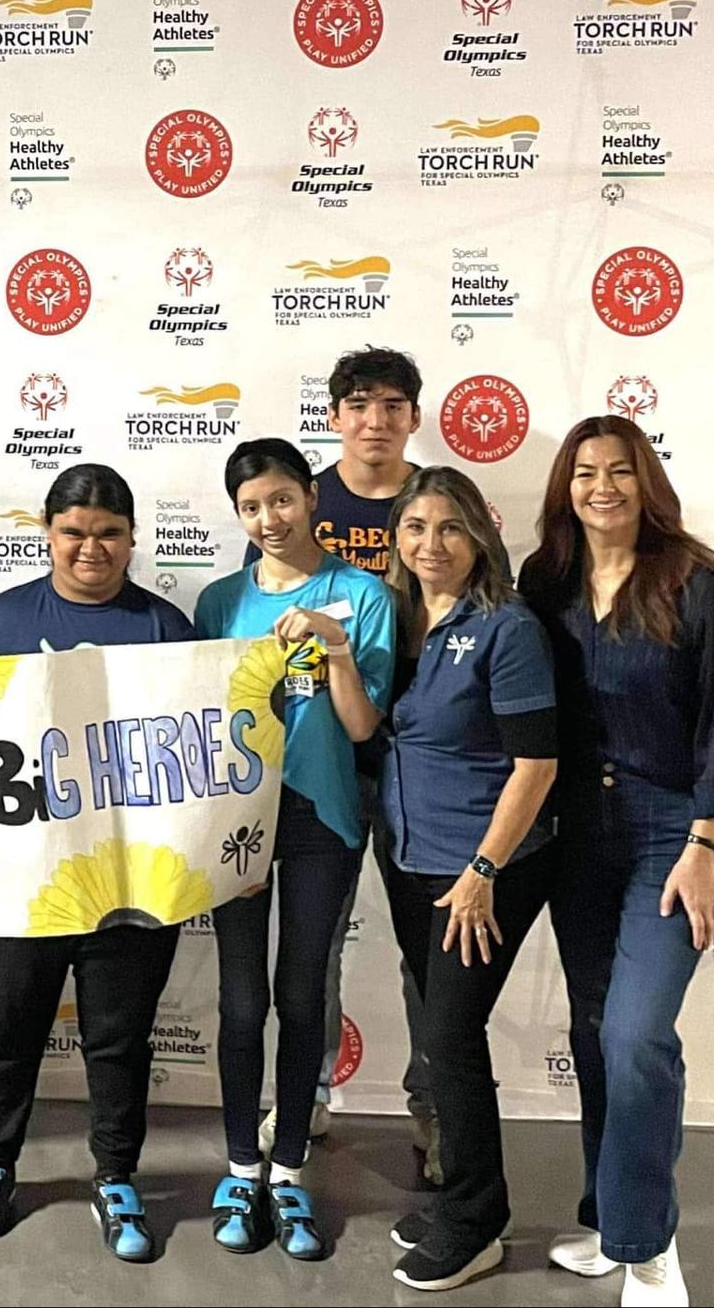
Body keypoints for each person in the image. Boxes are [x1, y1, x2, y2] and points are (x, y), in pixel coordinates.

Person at [0, 464, 194, 1261]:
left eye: (109, 532)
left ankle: (116, 1175)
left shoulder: (165, 626)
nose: (91, 547)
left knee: (119, 1036)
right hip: (23, 875)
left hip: (130, 880)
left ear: (132, 539)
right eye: (74, 530)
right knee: (10, 1028)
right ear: (47, 532)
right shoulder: (3, 620)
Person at [519, 416, 714, 1307]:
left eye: (619, 470)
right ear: (565, 486)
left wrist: (703, 848)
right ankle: (611, 1221)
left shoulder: (699, 584)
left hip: (673, 833)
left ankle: (649, 1248)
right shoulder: (547, 581)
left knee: (636, 1034)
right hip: (580, 833)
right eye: (584, 472)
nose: (601, 486)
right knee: (591, 1030)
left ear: (645, 479)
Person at [194, 438, 393, 1259]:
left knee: (302, 990)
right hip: (237, 816)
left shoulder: (362, 593)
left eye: (281, 499)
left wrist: (333, 644)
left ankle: (291, 1170)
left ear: (310, 496)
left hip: (324, 818)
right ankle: (242, 1164)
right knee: (242, 999)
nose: (268, 519)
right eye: (251, 507)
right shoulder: (216, 601)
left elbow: (362, 724)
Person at [246, 346, 437, 1174]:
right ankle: (306, 1091)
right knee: (312, 949)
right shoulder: (302, 504)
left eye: (393, 405)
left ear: (414, 417)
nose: (375, 420)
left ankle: (436, 1113)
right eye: (358, 404)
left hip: (420, 759)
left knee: (427, 950)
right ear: (334, 418)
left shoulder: (439, 504)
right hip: (322, 758)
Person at [374, 467, 557, 1292]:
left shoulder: (505, 626)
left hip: (484, 865)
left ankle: (478, 1218)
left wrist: (485, 867)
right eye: (415, 527)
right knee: (436, 1028)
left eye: (448, 527)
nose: (430, 544)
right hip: (409, 857)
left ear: (479, 534)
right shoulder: (400, 619)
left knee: (450, 1033)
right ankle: (460, 1195)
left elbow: (536, 763)